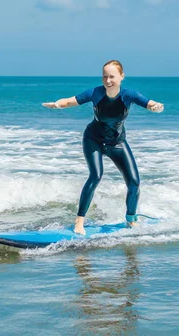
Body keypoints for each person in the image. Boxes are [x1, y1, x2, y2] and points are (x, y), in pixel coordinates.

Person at [42, 60, 164, 235]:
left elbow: (150, 103)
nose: (107, 80)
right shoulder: (95, 93)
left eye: (111, 76)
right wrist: (57, 104)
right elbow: (70, 101)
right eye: (105, 76)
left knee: (134, 183)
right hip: (94, 139)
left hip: (117, 142)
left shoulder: (129, 94)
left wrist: (156, 107)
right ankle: (79, 221)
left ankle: (130, 219)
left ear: (121, 76)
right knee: (96, 175)